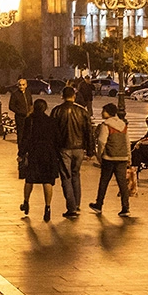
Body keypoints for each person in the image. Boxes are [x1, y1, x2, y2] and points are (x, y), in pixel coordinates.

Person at [50, 85, 93, 218]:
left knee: (66, 177)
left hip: (64, 148)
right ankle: (77, 203)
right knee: (76, 174)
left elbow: (52, 132)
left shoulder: (57, 111)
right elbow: (89, 132)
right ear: (74, 96)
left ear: (62, 96)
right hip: (79, 148)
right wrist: (90, 150)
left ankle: (71, 207)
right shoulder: (82, 111)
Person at [19, 98, 61, 222]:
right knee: (47, 181)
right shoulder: (51, 121)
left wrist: (21, 153)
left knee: (29, 179)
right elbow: (57, 139)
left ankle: (26, 202)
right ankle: (47, 207)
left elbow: (25, 138)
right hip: (49, 154)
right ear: (45, 108)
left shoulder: (29, 120)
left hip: (34, 153)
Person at [89, 103, 131, 217]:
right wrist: (129, 157)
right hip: (122, 157)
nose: (102, 113)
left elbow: (102, 142)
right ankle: (125, 207)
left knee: (104, 181)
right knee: (122, 183)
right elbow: (127, 142)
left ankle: (99, 204)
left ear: (108, 112)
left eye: (104, 111)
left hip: (109, 157)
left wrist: (99, 155)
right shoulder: (123, 125)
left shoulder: (106, 125)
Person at [8, 78, 34, 151]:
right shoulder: (15, 94)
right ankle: (21, 149)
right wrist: (20, 112)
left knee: (29, 133)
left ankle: (28, 148)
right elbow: (11, 106)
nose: (21, 86)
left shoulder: (28, 93)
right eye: (20, 85)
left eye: (23, 85)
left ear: (26, 85)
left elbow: (31, 104)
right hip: (20, 117)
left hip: (28, 116)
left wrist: (31, 112)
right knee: (21, 134)